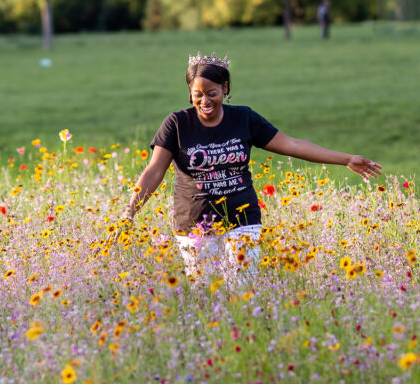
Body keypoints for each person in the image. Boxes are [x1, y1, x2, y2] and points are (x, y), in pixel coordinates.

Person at [120, 52, 381, 277]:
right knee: (205, 295)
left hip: (243, 220)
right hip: (194, 224)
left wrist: (346, 159)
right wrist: (130, 213)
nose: (205, 101)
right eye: (197, 94)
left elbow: (293, 145)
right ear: (189, 94)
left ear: (225, 89)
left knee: (242, 289)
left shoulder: (244, 118)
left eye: (212, 93)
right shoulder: (176, 124)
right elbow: (154, 171)